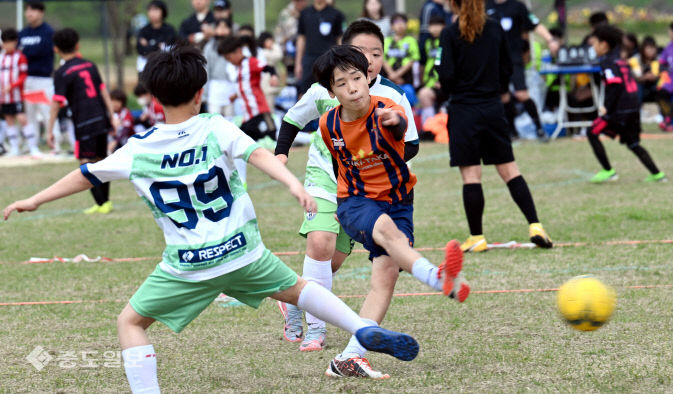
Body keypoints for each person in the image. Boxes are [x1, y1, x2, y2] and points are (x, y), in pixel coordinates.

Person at [2, 45, 421, 393]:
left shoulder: (138, 148)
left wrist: (35, 199)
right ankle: (360, 328)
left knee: (130, 321)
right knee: (300, 289)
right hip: (242, 252)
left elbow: (85, 174)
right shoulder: (215, 127)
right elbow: (258, 154)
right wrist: (294, 184)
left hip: (187, 266)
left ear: (153, 98)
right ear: (200, 93)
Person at [315, 45, 470, 378]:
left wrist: (397, 122)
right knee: (390, 234)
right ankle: (436, 277)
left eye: (357, 78)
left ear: (368, 77)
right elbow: (337, 162)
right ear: (331, 92)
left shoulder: (389, 110)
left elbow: (399, 129)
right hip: (356, 203)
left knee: (384, 280)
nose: (352, 87)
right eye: (342, 83)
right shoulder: (328, 125)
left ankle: (348, 358)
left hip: (399, 201)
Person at [273, 20, 420, 360]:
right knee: (320, 242)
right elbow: (293, 119)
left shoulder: (393, 97)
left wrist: (381, 154)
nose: (368, 60)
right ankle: (317, 329)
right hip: (325, 176)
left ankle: (295, 301)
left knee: (333, 261)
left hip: (368, 189)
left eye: (376, 53)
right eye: (361, 52)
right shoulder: (326, 89)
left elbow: (410, 144)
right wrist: (281, 152)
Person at [437, 0, 553, 253]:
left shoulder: (449, 33)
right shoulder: (495, 28)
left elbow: (444, 73)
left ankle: (477, 237)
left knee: (471, 176)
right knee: (510, 170)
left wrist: (452, 88)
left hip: (464, 110)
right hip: (492, 108)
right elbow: (507, 66)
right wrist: (497, 90)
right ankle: (535, 225)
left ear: (454, 5)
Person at [48, 29, 116, 215]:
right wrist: (112, 116)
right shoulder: (89, 64)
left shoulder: (62, 72)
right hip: (101, 117)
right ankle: (104, 202)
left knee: (86, 163)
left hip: (84, 122)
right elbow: (103, 91)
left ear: (56, 49)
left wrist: (49, 130)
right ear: (77, 45)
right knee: (101, 161)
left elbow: (56, 103)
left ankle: (102, 203)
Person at [587, 25, 666, 184]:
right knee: (633, 143)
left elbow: (614, 86)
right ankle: (657, 174)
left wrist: (606, 107)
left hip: (619, 110)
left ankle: (608, 171)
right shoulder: (621, 61)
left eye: (594, 44)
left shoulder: (607, 62)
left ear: (604, 44)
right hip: (632, 107)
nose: (593, 48)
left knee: (592, 132)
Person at [486, 0, 560, 140]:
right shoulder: (485, 5)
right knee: (503, 97)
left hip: (513, 58)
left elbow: (535, 24)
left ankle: (539, 128)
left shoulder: (518, 6)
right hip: (494, 59)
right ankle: (512, 131)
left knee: (522, 94)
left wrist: (550, 40)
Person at [217, 35, 278, 144]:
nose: (229, 61)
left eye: (228, 58)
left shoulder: (251, 62)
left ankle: (307, 139)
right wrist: (235, 96)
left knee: (275, 137)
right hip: (248, 117)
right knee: (240, 143)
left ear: (238, 51)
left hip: (260, 112)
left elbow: (268, 68)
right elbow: (246, 87)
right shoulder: (239, 68)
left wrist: (273, 76)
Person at [18, 0, 52, 156]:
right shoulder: (22, 34)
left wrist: (27, 53)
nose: (29, 13)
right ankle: (32, 145)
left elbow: (41, 52)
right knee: (29, 114)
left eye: (33, 10)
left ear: (41, 12)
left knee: (47, 112)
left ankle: (54, 144)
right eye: (27, 10)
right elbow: (20, 55)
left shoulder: (48, 32)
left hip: (43, 80)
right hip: (26, 80)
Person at [295, 0, 345, 95]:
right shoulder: (305, 13)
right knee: (304, 91)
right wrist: (298, 63)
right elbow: (301, 39)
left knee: (330, 89)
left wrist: (341, 60)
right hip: (309, 59)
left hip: (329, 60)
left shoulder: (336, 14)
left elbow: (340, 39)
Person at [0, 28, 34, 157]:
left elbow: (23, 76)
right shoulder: (1, 57)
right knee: (9, 120)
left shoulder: (20, 57)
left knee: (22, 118)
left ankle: (32, 147)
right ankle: (14, 148)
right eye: (5, 42)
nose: (7, 45)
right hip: (4, 96)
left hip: (16, 95)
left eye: (10, 42)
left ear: (15, 42)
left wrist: (13, 85)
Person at [417, 15, 447, 125]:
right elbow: (424, 63)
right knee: (423, 94)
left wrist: (443, 80)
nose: (434, 28)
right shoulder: (428, 42)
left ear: (444, 26)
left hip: (445, 83)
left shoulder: (447, 41)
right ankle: (429, 128)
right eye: (432, 25)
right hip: (430, 83)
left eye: (438, 25)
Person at [383, 13, 419, 105]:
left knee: (408, 100)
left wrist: (397, 75)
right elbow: (383, 59)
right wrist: (392, 75)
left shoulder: (411, 40)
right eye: (396, 22)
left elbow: (412, 60)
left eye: (402, 22)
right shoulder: (386, 41)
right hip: (388, 78)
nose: (400, 25)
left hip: (406, 79)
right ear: (391, 26)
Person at [202, 18, 236, 116]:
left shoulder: (235, 47)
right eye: (219, 27)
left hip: (231, 88)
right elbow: (206, 70)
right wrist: (205, 94)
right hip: (215, 88)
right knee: (214, 120)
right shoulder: (209, 47)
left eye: (225, 27)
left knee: (231, 122)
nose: (221, 31)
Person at [136, 0, 177, 73]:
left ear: (163, 11)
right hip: (145, 69)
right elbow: (141, 50)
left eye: (156, 9)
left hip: (164, 68)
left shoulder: (169, 30)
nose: (152, 13)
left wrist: (148, 44)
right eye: (150, 10)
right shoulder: (143, 31)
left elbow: (168, 48)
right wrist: (157, 45)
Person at [275, 0, 308, 84]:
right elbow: (292, 34)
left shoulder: (309, 12)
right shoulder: (286, 14)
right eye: (299, 1)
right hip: (289, 53)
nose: (302, 3)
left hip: (306, 54)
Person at [632, 36, 661, 103]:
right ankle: (637, 107)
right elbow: (635, 76)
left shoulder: (659, 59)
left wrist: (656, 76)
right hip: (642, 85)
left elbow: (663, 74)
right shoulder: (636, 59)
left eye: (653, 48)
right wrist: (645, 77)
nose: (651, 51)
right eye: (648, 48)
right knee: (637, 86)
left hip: (655, 85)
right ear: (643, 49)